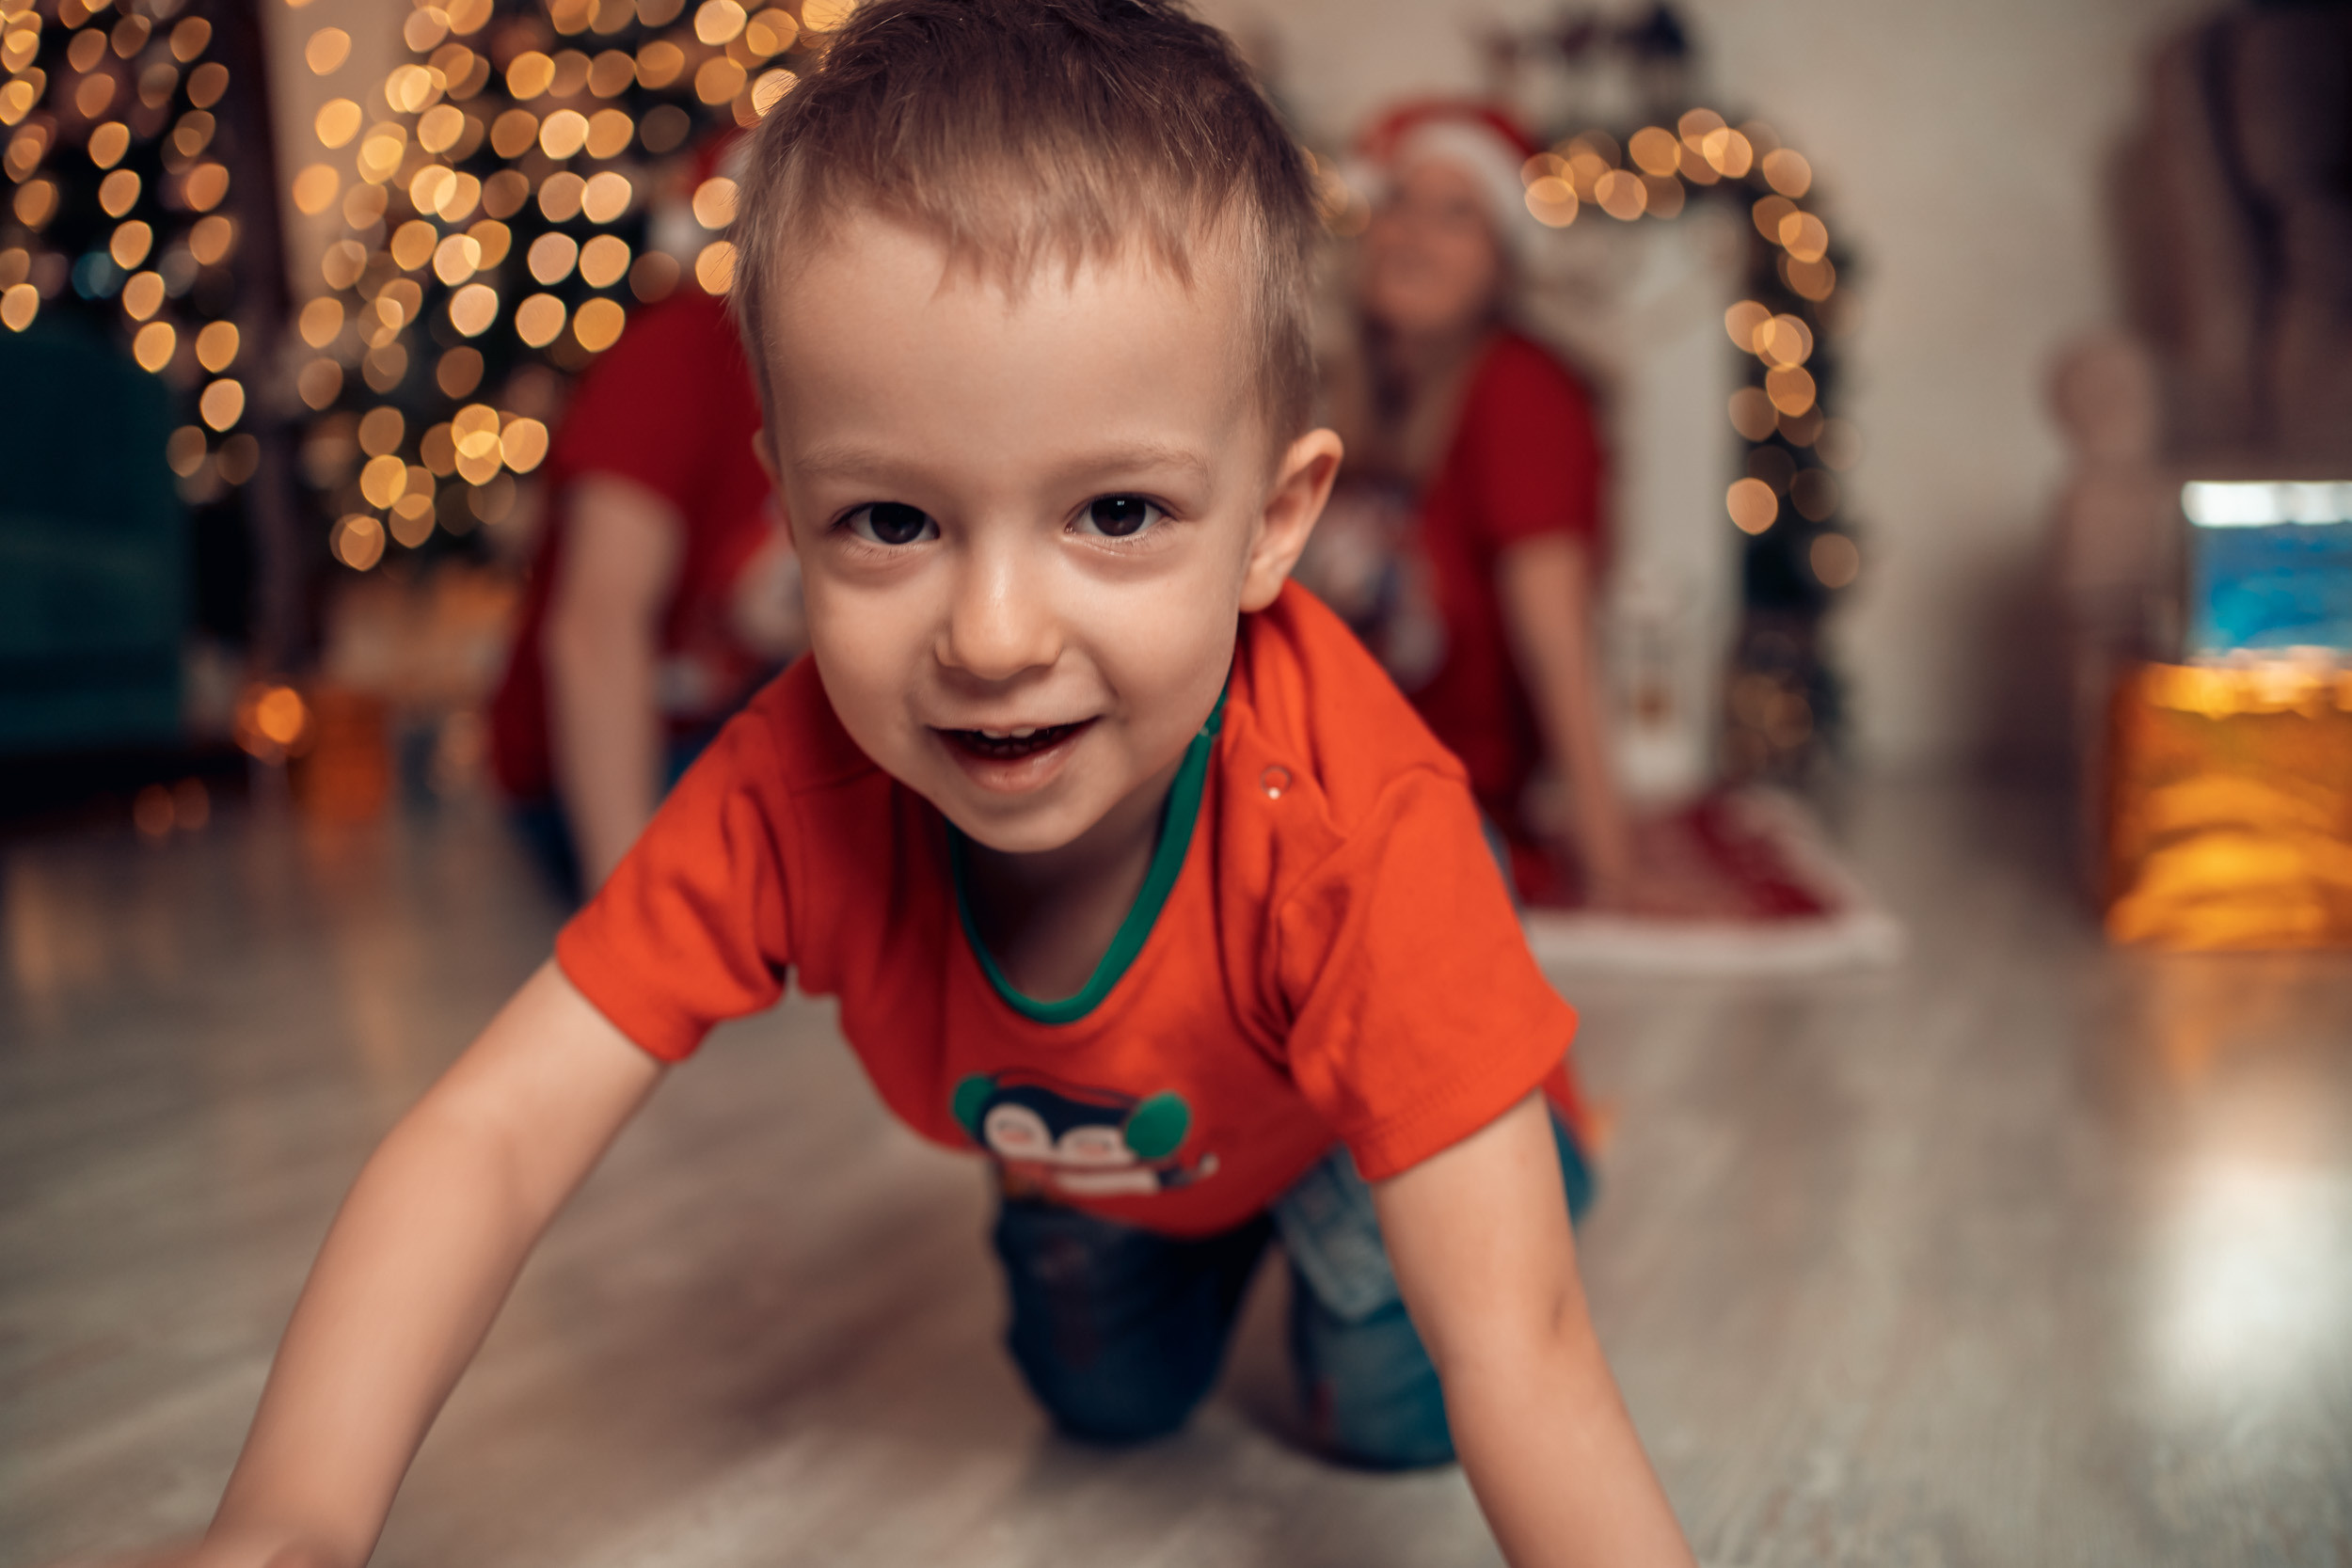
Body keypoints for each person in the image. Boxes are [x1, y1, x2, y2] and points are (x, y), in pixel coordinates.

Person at [95, 6, 1693, 1566]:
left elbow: (1529, 1354)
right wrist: (289, 1518)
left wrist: (1477, 1262)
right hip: (1112, 1153)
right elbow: (496, 1130)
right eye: (893, 523)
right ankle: (1210, 1224)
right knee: (1104, 1403)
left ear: (1274, 524)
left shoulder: (1351, 816)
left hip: (1343, 1116)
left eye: (1118, 512)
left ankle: (1511, 1135)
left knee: (1398, 1401)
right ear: (790, 515)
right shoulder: (792, 790)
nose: (993, 639)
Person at [1304, 103, 1636, 909]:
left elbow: (1556, 639)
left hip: (1438, 806)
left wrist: (1613, 870)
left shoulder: (1523, 392)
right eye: (1400, 205)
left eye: (1457, 216)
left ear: (1504, 265)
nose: (1414, 234)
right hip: (1321, 778)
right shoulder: (1352, 391)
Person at [487, 146, 803, 900]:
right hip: (614, 756)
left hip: (735, 711)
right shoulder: (675, 359)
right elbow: (593, 630)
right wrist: (625, 912)